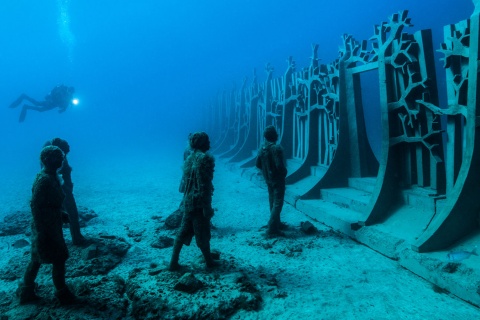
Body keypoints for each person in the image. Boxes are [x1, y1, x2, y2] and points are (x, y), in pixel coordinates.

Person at [17, 145, 76, 305]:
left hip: (49, 224)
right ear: (46, 160)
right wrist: (42, 231)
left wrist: (61, 213)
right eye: (56, 158)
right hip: (45, 227)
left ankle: (26, 290)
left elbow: (49, 202)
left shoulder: (51, 177)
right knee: (58, 258)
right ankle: (61, 293)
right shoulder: (44, 180)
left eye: (61, 157)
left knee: (36, 259)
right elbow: (36, 206)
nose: (60, 161)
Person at [169, 132, 219, 271]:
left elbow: (188, 182)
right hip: (199, 203)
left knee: (183, 231)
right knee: (202, 233)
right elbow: (205, 185)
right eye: (207, 140)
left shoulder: (190, 157)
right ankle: (209, 262)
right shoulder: (205, 159)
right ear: (202, 143)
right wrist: (207, 207)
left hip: (188, 201)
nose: (209, 143)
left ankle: (173, 262)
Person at [44, 138, 86, 246]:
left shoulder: (60, 157)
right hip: (62, 190)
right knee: (71, 213)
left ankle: (75, 237)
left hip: (65, 189)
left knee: (71, 214)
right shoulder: (54, 159)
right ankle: (74, 239)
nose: (66, 154)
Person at [255, 125, 288, 237]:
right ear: (275, 135)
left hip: (268, 180)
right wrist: (284, 172)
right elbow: (279, 165)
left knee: (272, 201)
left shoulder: (262, 148)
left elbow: (257, 164)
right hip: (277, 180)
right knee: (278, 203)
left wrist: (266, 173)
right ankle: (273, 228)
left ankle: (276, 223)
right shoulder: (276, 148)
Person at [9, 85, 75, 122]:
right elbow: (53, 93)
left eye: (71, 92)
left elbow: (64, 106)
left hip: (53, 105)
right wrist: (50, 99)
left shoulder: (69, 98)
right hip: (50, 101)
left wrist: (63, 110)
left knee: (40, 110)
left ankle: (26, 106)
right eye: (69, 91)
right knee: (37, 103)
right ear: (68, 89)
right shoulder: (62, 89)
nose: (69, 92)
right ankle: (24, 97)